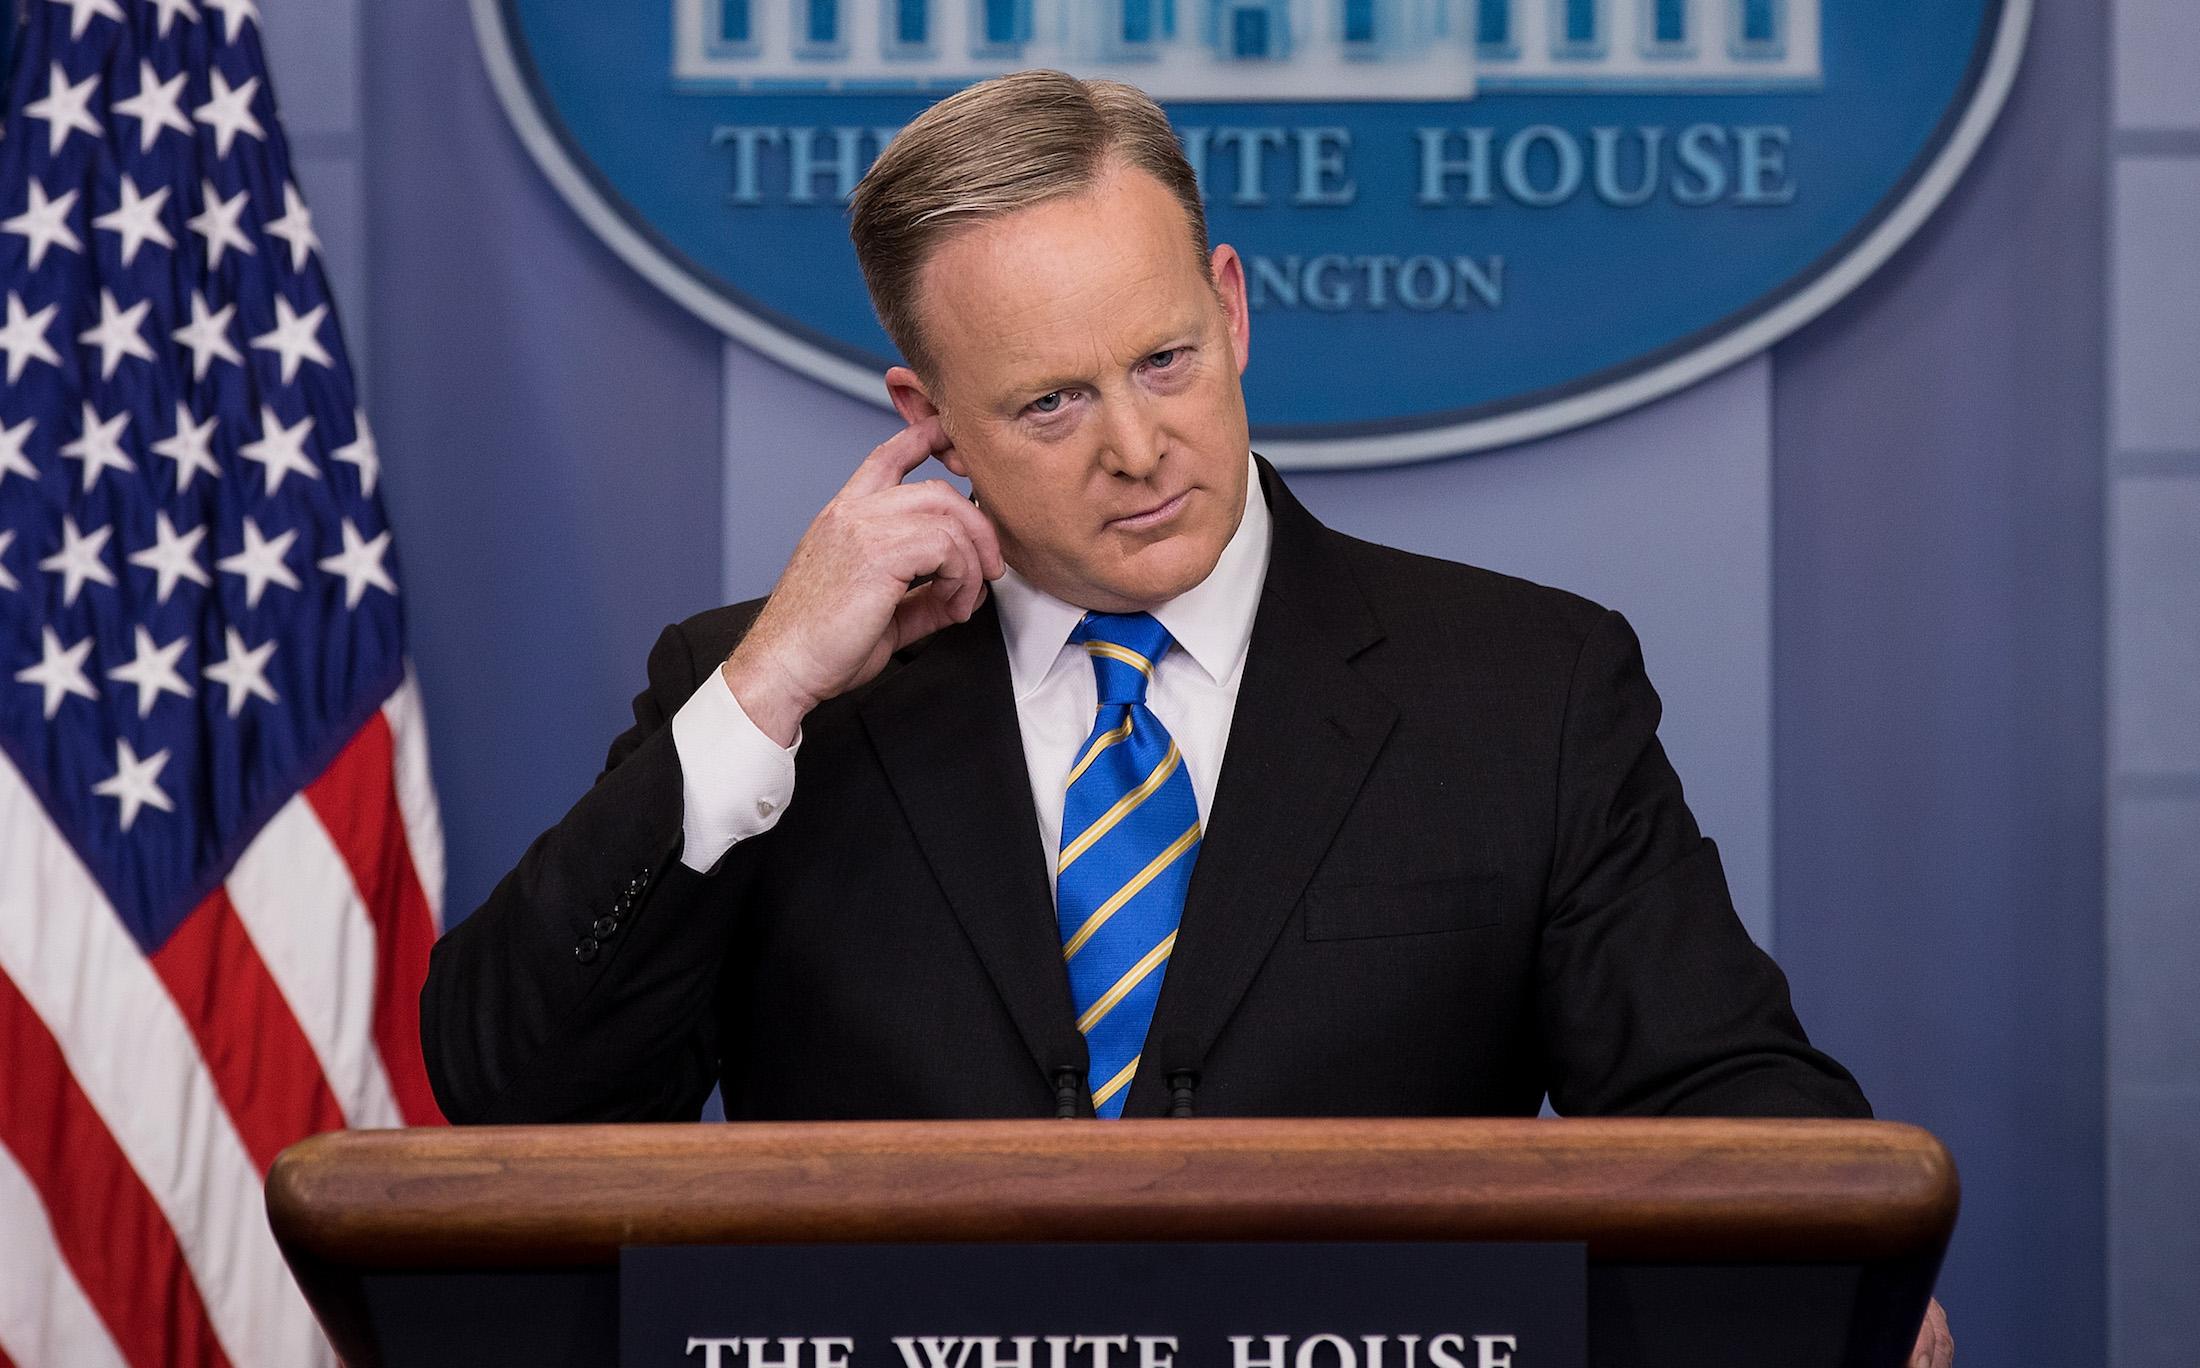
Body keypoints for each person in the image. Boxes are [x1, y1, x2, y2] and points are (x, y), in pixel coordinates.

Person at [420, 70, 1949, 1365]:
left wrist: (1835, 1274)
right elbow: (512, 1092)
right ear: (926, 420)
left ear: (1230, 309)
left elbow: (1726, 1103)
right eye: (1050, 404)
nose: (1140, 448)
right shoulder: (764, 703)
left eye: (1163, 360)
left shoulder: (1525, 687)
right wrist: (764, 692)